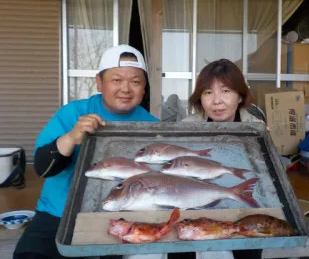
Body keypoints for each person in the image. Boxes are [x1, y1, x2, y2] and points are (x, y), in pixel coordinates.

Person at [13, 45, 159, 259]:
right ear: (99, 83)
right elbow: (43, 169)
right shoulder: (73, 113)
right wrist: (71, 137)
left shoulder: (152, 126)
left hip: (124, 216)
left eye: (135, 82)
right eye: (116, 80)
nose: (126, 89)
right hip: (58, 214)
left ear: (144, 87)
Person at [182, 58, 265, 259]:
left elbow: (265, 185)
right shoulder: (186, 128)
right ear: (200, 98)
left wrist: (263, 143)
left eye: (226, 91)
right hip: (195, 207)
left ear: (240, 96)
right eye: (208, 92)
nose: (216, 101)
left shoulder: (257, 129)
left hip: (241, 211)